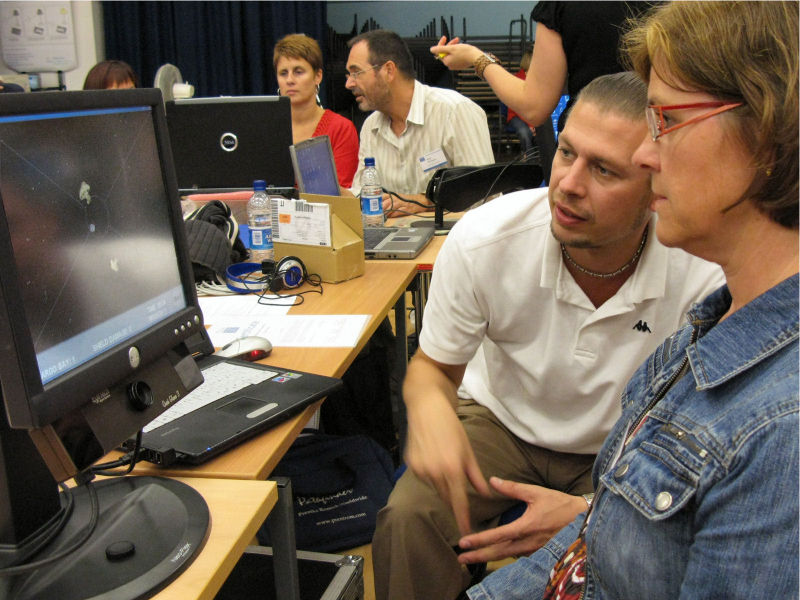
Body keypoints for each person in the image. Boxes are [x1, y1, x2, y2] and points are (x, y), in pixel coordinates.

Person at [467, 2, 799, 599]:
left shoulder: (782, 433)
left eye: (666, 121)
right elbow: (593, 555)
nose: (645, 156)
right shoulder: (712, 327)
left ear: (768, 136)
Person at [372, 71, 725, 600]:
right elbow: (433, 370)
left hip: (627, 440)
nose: (569, 184)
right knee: (407, 518)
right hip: (501, 424)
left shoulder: (701, 270)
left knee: (638, 551)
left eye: (604, 169)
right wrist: (428, 407)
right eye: (566, 153)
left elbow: (703, 434)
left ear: (656, 185)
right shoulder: (486, 239)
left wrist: (591, 511)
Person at [431, 2, 651, 131]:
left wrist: (473, 56)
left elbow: (534, 106)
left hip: (592, 149)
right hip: (661, 146)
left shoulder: (563, 5)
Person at [345, 29, 494, 218]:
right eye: (348, 75)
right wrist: (344, 198)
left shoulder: (455, 111)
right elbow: (363, 193)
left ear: (388, 70)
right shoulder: (370, 127)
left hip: (452, 240)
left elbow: (484, 198)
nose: (349, 84)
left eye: (356, 73)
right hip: (395, 241)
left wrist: (426, 202)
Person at [273, 33, 359, 188]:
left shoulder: (341, 129)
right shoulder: (267, 127)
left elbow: (342, 197)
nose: (290, 80)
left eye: (298, 72)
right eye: (283, 73)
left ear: (318, 76)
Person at [505, 49, 535, 156]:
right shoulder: (516, 80)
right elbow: (518, 108)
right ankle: (530, 158)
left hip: (533, 115)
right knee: (524, 132)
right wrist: (531, 124)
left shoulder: (538, 80)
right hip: (516, 115)